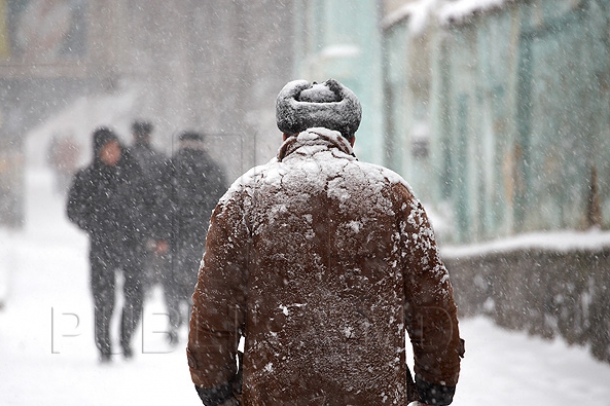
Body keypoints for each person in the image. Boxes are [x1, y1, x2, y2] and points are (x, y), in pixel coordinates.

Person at [186, 79, 464, 405]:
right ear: (351, 137)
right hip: (374, 395)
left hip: (274, 395)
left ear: (286, 136)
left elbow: (215, 307)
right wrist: (437, 385)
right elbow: (430, 302)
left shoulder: (246, 196)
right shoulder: (392, 194)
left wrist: (216, 390)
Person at [66, 127, 145, 362]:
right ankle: (104, 345)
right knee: (103, 297)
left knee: (135, 295)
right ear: (98, 151)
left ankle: (125, 338)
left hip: (132, 243)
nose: (112, 153)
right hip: (102, 245)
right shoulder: (86, 177)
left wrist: (144, 228)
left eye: (115, 148)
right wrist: (92, 224)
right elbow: (72, 210)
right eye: (107, 149)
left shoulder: (133, 174)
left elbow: (151, 203)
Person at [165, 130, 226, 345]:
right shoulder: (214, 168)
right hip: (203, 233)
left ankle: (172, 323)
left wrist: (160, 232)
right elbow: (223, 202)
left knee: (171, 279)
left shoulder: (170, 166)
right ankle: (195, 323)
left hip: (174, 234)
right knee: (198, 280)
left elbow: (160, 201)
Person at [123, 120, 171, 290]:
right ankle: (150, 278)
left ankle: (137, 282)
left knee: (134, 253)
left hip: (128, 216)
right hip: (153, 212)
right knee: (152, 248)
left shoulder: (125, 156)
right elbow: (165, 189)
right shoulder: (160, 158)